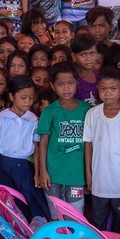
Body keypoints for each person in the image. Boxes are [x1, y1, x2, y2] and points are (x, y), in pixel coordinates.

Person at [84, 66, 120, 239]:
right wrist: (89, 174)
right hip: (100, 180)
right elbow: (88, 145)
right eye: (103, 89)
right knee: (98, 220)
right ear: (98, 89)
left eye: (113, 89)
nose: (108, 93)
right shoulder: (92, 114)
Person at [0, 75, 50, 219]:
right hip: (4, 166)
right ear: (11, 96)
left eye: (30, 98)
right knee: (5, 202)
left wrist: (36, 172)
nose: (28, 102)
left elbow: (35, 147)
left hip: (23, 168)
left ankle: (29, 235)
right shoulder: (1, 118)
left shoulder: (33, 119)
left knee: (27, 202)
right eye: (23, 98)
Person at [36, 64, 90, 214]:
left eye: (70, 83)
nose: (66, 88)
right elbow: (43, 142)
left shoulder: (86, 110)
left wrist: (88, 172)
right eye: (60, 84)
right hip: (52, 175)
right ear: (53, 86)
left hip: (76, 175)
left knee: (75, 215)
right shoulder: (50, 111)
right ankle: (59, 238)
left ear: (77, 83)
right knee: (55, 215)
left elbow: (89, 145)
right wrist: (43, 171)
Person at [71, 36, 99, 105]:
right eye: (83, 54)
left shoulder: (100, 77)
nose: (89, 58)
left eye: (92, 53)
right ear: (74, 56)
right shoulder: (72, 81)